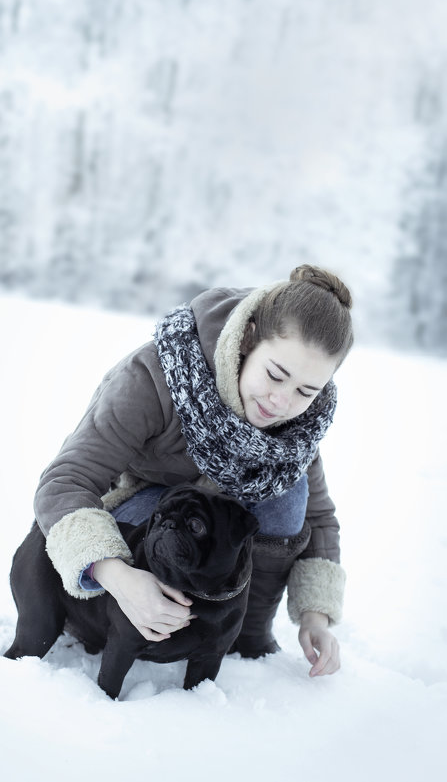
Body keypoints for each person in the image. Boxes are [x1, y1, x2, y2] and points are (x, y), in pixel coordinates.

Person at [35, 264, 353, 678]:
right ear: (249, 338)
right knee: (154, 522)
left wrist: (316, 616)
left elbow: (318, 517)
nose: (280, 401)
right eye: (276, 374)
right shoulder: (154, 377)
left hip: (219, 531)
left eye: (306, 391)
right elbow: (66, 480)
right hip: (148, 511)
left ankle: (247, 632)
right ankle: (132, 617)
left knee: (289, 492)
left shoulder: (298, 425)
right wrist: (115, 573)